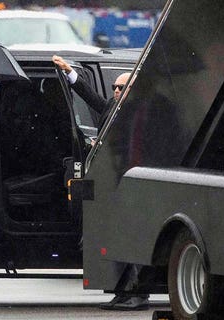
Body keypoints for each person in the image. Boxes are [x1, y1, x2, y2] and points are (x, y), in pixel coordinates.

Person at [53, 55, 148, 311]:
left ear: (132, 89)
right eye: (115, 87)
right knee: (113, 240)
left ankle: (136, 294)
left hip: (129, 185)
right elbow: (90, 97)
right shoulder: (110, 106)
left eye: (121, 87)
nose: (116, 91)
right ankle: (122, 292)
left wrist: (104, 148)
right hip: (111, 185)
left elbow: (133, 148)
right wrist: (70, 72)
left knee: (128, 240)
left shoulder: (138, 113)